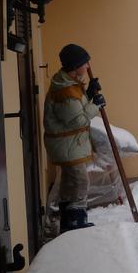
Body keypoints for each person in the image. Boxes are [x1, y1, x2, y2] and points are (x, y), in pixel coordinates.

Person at [43, 43, 106, 233]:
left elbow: (76, 108)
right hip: (67, 145)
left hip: (68, 144)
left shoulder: (70, 84)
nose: (87, 66)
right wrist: (96, 105)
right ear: (74, 66)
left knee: (70, 182)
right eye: (84, 63)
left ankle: (68, 223)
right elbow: (78, 121)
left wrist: (89, 94)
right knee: (80, 181)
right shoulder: (65, 91)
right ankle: (76, 222)